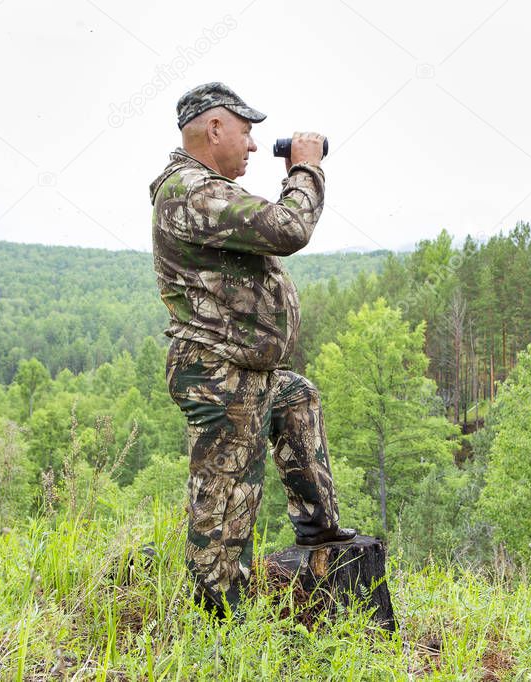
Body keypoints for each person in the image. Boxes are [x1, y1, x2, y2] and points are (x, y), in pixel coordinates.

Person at [149, 82, 356, 618]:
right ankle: (219, 622)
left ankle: (321, 530)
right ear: (214, 128)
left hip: (245, 369)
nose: (254, 146)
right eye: (246, 132)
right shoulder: (191, 191)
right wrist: (306, 168)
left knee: (297, 399)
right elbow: (289, 227)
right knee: (226, 504)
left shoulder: (207, 189)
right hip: (218, 373)